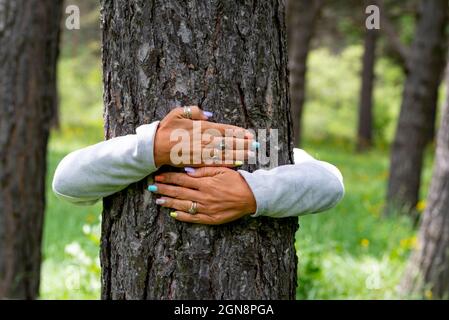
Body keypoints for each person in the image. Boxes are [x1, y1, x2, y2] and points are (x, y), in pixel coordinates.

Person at [53, 106, 344, 225]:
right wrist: (154, 148)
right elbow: (67, 183)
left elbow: (330, 182)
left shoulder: (261, 147)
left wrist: (253, 193)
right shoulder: (129, 141)